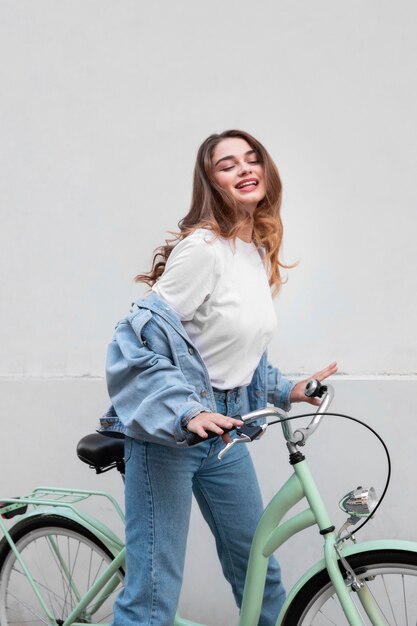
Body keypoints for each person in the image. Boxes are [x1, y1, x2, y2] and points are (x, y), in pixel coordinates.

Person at [100, 129, 337, 626]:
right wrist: (188, 410)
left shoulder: (254, 252)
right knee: (153, 596)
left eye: (253, 159)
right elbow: (135, 339)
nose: (245, 169)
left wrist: (285, 388)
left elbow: (225, 351)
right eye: (228, 165)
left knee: (257, 570)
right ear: (211, 182)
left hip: (227, 433)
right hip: (170, 436)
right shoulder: (204, 249)